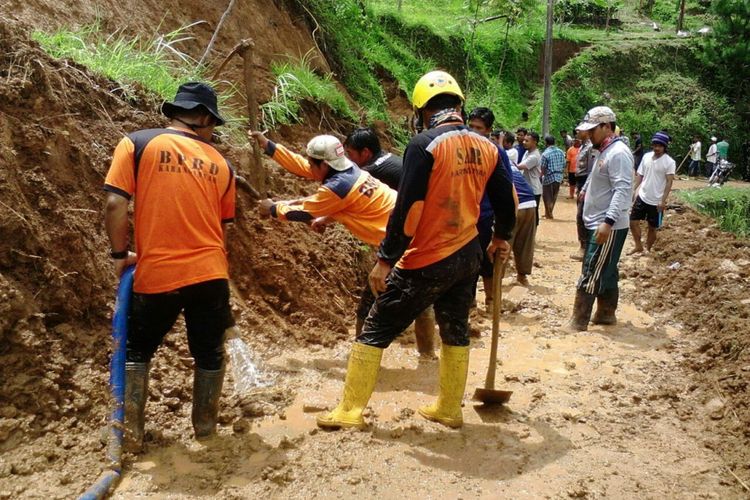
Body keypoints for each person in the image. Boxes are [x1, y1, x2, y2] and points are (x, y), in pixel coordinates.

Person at [316, 70, 516, 430]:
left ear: (421, 109)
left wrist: (385, 260)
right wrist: (502, 237)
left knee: (377, 325)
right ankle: (449, 408)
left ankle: (349, 411)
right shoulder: (490, 147)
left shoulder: (424, 144)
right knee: (455, 327)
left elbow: (409, 209)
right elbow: (506, 201)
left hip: (428, 256)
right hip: (468, 254)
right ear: (459, 104)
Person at [103, 82, 237, 450]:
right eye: (213, 125)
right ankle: (206, 432)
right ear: (205, 117)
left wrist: (119, 256)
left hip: (158, 273)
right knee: (209, 353)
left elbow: (116, 205)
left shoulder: (137, 143)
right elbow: (223, 230)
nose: (212, 133)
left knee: (137, 351)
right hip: (211, 274)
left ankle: (131, 435)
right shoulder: (222, 164)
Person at [249, 132, 436, 358]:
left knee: (371, 305)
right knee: (420, 298)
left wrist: (272, 208)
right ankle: (427, 356)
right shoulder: (349, 170)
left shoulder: (338, 186)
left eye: (312, 162)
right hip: (415, 233)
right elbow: (316, 179)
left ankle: (362, 358)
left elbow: (304, 210)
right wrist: (269, 146)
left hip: (401, 242)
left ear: (325, 164)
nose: (308, 166)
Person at [567, 106, 633, 331]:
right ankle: (606, 313)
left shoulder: (618, 153)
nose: (587, 135)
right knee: (607, 269)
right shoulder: (604, 150)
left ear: (606, 127)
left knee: (592, 268)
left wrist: (608, 222)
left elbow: (622, 190)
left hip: (607, 224)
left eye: (592, 130)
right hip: (599, 221)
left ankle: (578, 321)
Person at [468, 107, 502, 306]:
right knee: (468, 262)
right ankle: (469, 301)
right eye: (470, 126)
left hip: (485, 217)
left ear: (488, 130)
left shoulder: (494, 152)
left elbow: (506, 191)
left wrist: (502, 229)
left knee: (487, 260)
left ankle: (491, 299)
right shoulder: (460, 148)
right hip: (465, 216)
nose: (473, 131)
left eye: (478, 128)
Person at [629, 132, 675, 254]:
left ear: (665, 147)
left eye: (660, 146)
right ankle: (638, 245)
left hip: (656, 201)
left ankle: (647, 249)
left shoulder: (669, 162)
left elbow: (669, 182)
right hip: (643, 196)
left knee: (652, 228)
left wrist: (663, 201)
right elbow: (640, 175)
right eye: (655, 145)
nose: (657, 148)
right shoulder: (646, 157)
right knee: (633, 222)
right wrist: (633, 190)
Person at [502, 131, 537, 286]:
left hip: (517, 205)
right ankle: (522, 276)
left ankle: (496, 281)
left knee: (503, 242)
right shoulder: (510, 163)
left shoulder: (496, 163)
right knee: (524, 243)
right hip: (531, 203)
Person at [571, 128, 595, 261]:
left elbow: (592, 169)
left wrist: (586, 188)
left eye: (580, 130)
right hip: (581, 180)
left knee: (581, 214)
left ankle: (584, 247)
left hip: (586, 180)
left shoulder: (590, 147)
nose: (577, 133)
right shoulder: (583, 145)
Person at [517, 131, 542, 224]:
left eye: (527, 141)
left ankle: (532, 235)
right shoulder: (527, 153)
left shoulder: (534, 156)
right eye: (524, 140)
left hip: (533, 189)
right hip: (528, 187)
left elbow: (519, 166)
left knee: (533, 215)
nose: (524, 142)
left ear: (534, 142)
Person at [540, 135, 566, 219]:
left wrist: (541, 175)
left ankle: (549, 213)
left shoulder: (545, 154)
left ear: (546, 143)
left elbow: (543, 167)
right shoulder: (561, 152)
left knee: (547, 195)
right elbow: (564, 164)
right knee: (554, 195)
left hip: (549, 176)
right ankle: (549, 212)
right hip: (558, 176)